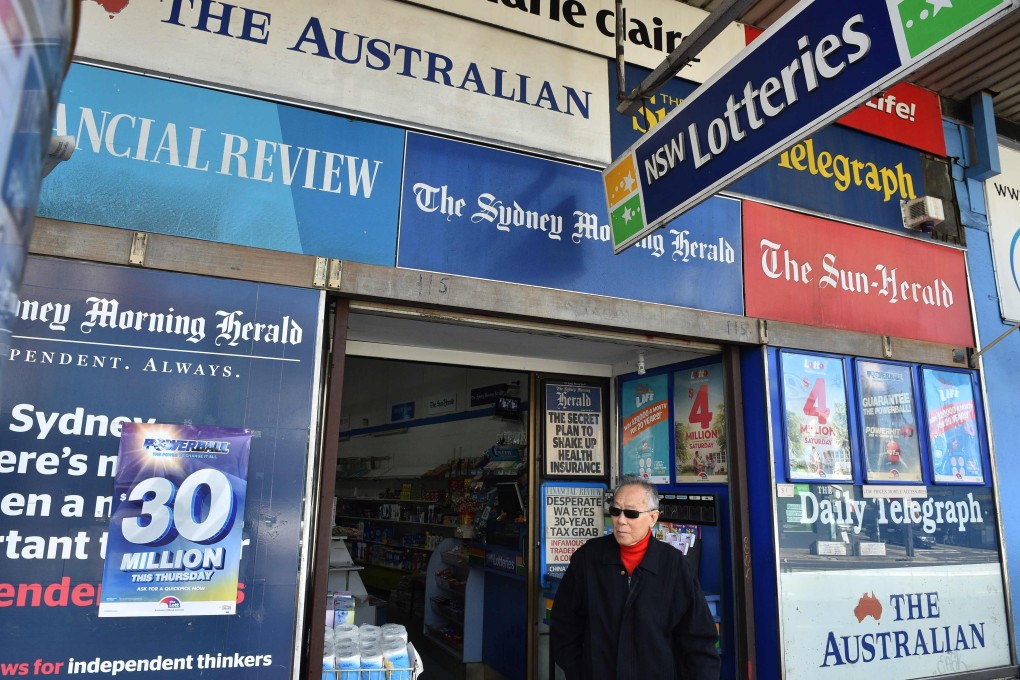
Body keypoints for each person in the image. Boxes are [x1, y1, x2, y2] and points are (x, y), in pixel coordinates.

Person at [550, 476, 720, 680]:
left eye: (631, 513)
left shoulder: (673, 565)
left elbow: (699, 640)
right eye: (615, 511)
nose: (621, 520)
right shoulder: (588, 558)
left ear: (653, 518)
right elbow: (564, 625)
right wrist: (578, 671)